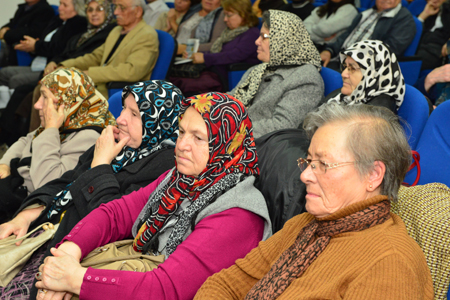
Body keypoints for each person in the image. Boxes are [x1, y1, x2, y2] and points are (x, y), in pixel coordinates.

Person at [34, 92, 272, 300]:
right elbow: (116, 213)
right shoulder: (179, 178)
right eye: (181, 132)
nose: (181, 145)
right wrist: (68, 253)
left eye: (198, 138)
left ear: (227, 144)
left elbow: (166, 290)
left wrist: (74, 279)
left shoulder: (237, 214)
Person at [194, 102, 434, 300]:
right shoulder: (306, 224)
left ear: (373, 175)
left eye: (323, 164)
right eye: (308, 161)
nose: (305, 175)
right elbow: (225, 284)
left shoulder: (390, 265)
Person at [0, 80, 182, 300]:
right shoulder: (119, 143)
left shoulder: (167, 167)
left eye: (134, 114)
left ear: (158, 121)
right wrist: (26, 215)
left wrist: (101, 165)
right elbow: (65, 181)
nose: (121, 119)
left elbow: (111, 220)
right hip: (50, 235)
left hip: (82, 255)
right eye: (124, 108)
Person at [0, 67, 115, 223]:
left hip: (28, 205)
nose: (37, 105)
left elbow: (47, 184)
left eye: (45, 97)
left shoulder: (90, 137)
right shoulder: (68, 122)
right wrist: (5, 164)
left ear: (67, 102)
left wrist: (51, 129)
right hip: (13, 186)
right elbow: (24, 141)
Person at [0, 0, 116, 148]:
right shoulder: (88, 32)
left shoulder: (107, 32)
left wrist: (61, 67)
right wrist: (56, 63)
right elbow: (68, 53)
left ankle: (31, 142)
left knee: (34, 91)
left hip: (79, 77)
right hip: (60, 68)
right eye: (90, 10)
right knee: (29, 93)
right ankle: (21, 139)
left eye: (99, 9)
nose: (93, 14)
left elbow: (89, 59)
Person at [229, 10, 324, 138]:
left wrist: (227, 126)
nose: (257, 41)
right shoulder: (258, 69)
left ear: (283, 40)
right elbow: (231, 98)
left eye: (264, 37)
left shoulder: (306, 78)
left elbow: (281, 126)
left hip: (258, 146)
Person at [60, 0, 159, 98]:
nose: (116, 12)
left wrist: (89, 74)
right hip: (98, 86)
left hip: (118, 93)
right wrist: (65, 65)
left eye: (122, 8)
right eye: (115, 7)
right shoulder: (116, 31)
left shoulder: (147, 35)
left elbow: (131, 71)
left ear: (138, 12)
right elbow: (96, 57)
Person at [169, 0, 260, 95]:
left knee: (184, 84)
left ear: (243, 14)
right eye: (225, 15)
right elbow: (219, 52)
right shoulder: (230, 33)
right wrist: (197, 55)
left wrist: (204, 57)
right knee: (174, 79)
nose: (225, 19)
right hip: (214, 73)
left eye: (229, 15)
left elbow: (234, 55)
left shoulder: (252, 34)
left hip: (227, 77)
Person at [0, 0, 87, 90]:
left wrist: (36, 46)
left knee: (16, 80)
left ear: (77, 8)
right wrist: (32, 47)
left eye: (65, 5)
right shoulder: (57, 20)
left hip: (50, 67)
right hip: (37, 62)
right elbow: (41, 40)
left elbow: (60, 49)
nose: (60, 8)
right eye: (60, 4)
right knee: (4, 73)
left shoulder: (79, 25)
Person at [320, 0, 416, 70]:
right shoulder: (366, 14)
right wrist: (329, 51)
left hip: (364, 67)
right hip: (339, 58)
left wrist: (357, 59)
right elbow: (346, 36)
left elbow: (389, 50)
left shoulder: (405, 19)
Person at [325, 40, 405, 113]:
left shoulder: (376, 115)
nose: (343, 74)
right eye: (345, 66)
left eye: (352, 68)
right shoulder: (346, 95)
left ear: (373, 75)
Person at [0, 0, 55, 67]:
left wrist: (6, 34)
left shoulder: (45, 10)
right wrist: (4, 29)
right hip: (11, 42)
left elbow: (31, 32)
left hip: (23, 48)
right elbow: (12, 23)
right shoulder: (23, 7)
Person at [415, 0, 450, 70]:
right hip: (418, 47)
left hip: (436, 52)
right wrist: (424, 15)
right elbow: (409, 34)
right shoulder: (428, 11)